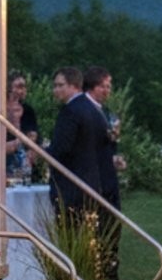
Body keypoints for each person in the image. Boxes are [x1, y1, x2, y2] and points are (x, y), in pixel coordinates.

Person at [45, 65, 106, 218]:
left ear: (74, 86)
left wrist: (42, 152)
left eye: (60, 85)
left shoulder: (70, 111)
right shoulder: (93, 109)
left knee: (70, 236)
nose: (55, 90)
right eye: (55, 86)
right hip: (92, 184)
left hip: (71, 187)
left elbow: (62, 148)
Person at [82, 66, 123, 211]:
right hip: (91, 177)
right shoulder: (82, 109)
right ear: (91, 87)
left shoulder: (105, 112)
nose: (107, 90)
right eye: (102, 86)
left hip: (107, 175)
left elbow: (109, 143)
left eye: (108, 87)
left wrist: (115, 157)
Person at [4, 73, 40, 179]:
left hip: (21, 159)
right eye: (19, 87)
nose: (23, 90)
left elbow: (33, 136)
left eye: (24, 87)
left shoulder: (28, 110)